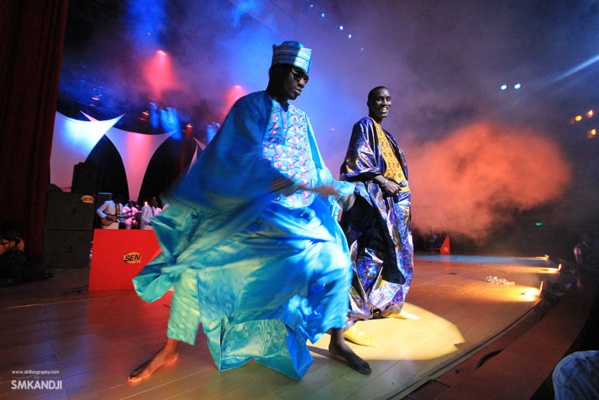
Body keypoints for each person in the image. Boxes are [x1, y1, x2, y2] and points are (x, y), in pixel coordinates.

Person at [127, 41, 370, 383]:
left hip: (298, 216)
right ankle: (170, 350)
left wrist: (338, 188)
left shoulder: (301, 119)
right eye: (296, 74)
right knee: (195, 267)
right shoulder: (250, 107)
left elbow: (315, 166)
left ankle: (338, 341)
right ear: (276, 71)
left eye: (306, 78)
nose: (302, 83)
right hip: (252, 210)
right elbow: (239, 158)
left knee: (339, 263)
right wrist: (296, 180)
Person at [339, 86, 417, 347]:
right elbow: (357, 161)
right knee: (371, 254)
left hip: (396, 202)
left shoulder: (387, 134)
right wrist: (383, 181)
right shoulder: (364, 125)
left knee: (400, 254)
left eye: (388, 99)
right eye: (379, 99)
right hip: (376, 200)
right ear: (369, 102)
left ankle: (389, 305)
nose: (384, 103)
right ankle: (349, 317)